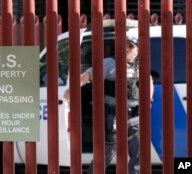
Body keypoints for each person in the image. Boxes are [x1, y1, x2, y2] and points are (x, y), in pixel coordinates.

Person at [63, 36, 154, 174]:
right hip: (114, 117)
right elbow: (87, 75)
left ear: (137, 50)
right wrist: (72, 89)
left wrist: (149, 100)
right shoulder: (109, 63)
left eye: (130, 46)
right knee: (107, 154)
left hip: (134, 116)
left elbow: (149, 82)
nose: (126, 49)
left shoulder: (140, 65)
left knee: (138, 156)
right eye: (125, 45)